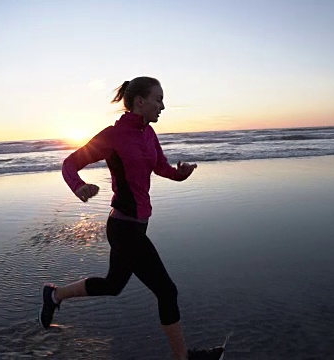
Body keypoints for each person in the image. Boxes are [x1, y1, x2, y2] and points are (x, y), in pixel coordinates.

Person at [40, 76, 223, 360]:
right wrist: (79, 186)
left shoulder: (149, 134)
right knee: (167, 291)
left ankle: (54, 295)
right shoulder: (113, 136)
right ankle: (182, 358)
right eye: (158, 99)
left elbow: (161, 167)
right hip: (124, 227)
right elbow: (69, 164)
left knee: (113, 286)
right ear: (140, 101)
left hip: (137, 225)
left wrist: (180, 174)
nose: (162, 106)